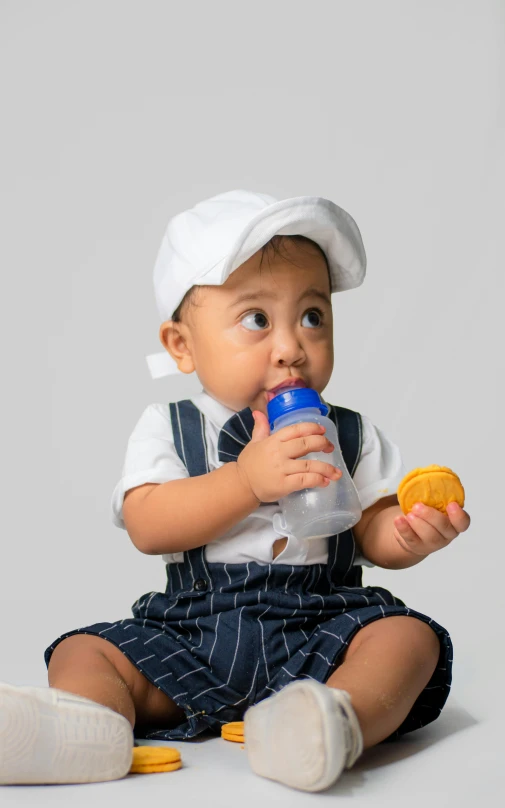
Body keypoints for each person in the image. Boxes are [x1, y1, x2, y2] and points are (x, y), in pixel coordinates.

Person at [0, 190, 470, 791]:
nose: (290, 347)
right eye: (256, 320)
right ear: (182, 346)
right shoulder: (170, 427)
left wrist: (409, 532)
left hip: (322, 631)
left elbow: (372, 531)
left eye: (313, 316)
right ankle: (85, 729)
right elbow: (149, 524)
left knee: (408, 639)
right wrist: (246, 481)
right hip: (195, 632)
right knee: (85, 652)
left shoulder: (349, 432)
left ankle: (328, 723)